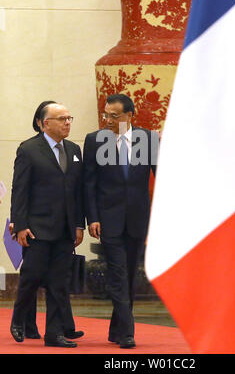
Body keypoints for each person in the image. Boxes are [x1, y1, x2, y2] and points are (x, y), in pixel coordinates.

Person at [83, 94, 158, 349]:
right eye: (106, 115)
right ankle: (127, 332)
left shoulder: (148, 139)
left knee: (128, 274)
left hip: (138, 218)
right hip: (108, 219)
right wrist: (92, 218)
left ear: (129, 115)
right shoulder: (95, 141)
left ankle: (116, 329)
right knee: (117, 273)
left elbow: (162, 177)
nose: (108, 120)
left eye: (114, 116)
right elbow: (89, 184)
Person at [10, 103, 85, 348]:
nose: (67, 122)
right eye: (61, 118)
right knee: (31, 278)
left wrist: (78, 225)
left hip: (64, 230)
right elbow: (20, 191)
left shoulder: (74, 150)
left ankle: (54, 334)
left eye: (69, 118)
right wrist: (20, 225)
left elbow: (77, 192)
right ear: (45, 124)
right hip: (37, 228)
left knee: (58, 283)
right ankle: (19, 319)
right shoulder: (29, 149)